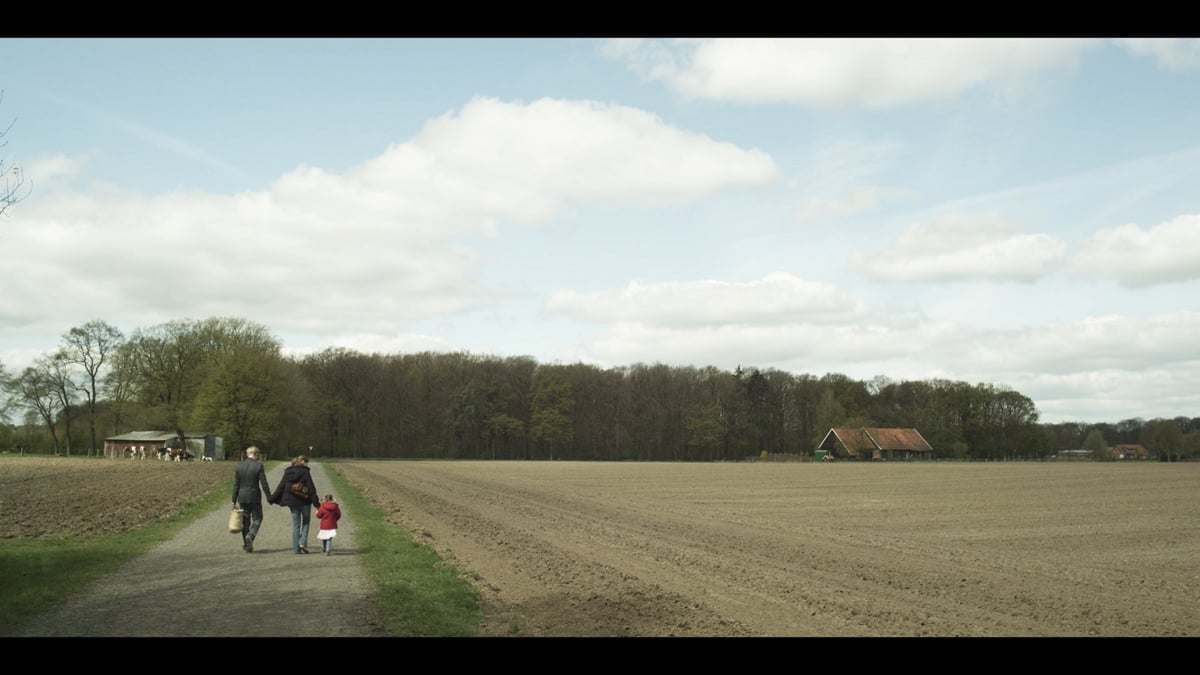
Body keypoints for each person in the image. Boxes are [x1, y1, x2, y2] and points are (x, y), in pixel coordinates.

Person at [270, 454, 320, 554]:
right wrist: (317, 504)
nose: (307, 464)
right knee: (306, 521)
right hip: (305, 501)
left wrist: (272, 498)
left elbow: (281, 486)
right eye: (306, 462)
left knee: (296, 524)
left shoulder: (288, 472)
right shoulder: (305, 471)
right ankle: (302, 542)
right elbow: (311, 488)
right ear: (303, 462)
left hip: (292, 502)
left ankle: (295, 549)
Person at [231, 445, 272, 553]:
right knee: (258, 518)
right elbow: (264, 483)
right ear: (256, 454)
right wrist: (269, 496)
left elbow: (236, 484)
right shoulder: (258, 466)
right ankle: (251, 535)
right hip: (254, 497)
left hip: (242, 496)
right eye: (258, 454)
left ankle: (246, 544)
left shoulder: (239, 466)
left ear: (247, 454)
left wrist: (233, 500)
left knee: (245, 521)